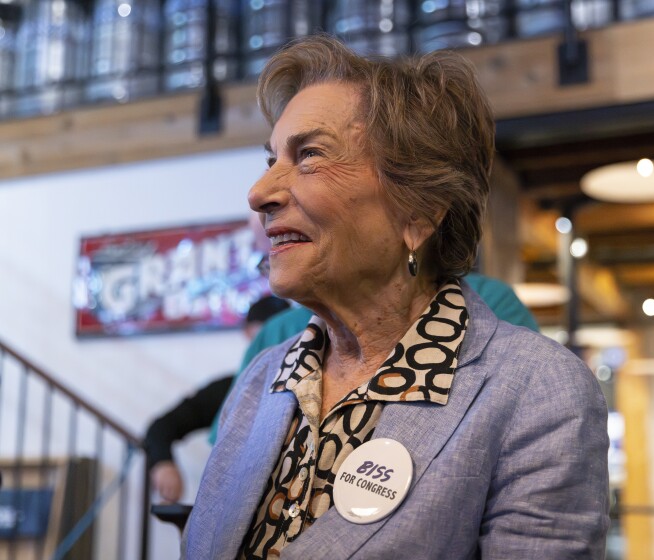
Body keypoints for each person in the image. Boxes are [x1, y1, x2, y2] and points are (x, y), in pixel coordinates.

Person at [183, 35, 608, 559]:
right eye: (273, 158)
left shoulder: (536, 390)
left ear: (420, 212)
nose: (259, 193)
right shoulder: (262, 381)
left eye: (309, 155)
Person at [207, 272, 540, 444]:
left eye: (311, 157)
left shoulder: (490, 304)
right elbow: (230, 456)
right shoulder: (270, 348)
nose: (260, 195)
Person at [144, 294, 290, 503]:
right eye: (267, 332)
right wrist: (164, 465)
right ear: (249, 334)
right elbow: (160, 428)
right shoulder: (230, 389)